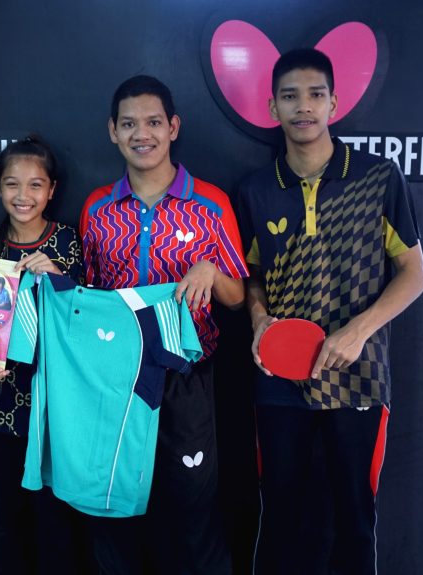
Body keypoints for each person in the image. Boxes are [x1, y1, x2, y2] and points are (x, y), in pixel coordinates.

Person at [237, 48, 423, 574]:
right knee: (279, 517)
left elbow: (414, 275)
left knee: (355, 519)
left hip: (358, 377)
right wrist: (258, 319)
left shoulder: (378, 178)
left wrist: (357, 331)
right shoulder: (256, 190)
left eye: (315, 94)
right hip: (280, 378)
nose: (304, 106)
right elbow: (251, 276)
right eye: (290, 96)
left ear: (334, 104)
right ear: (272, 107)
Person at [79, 74, 248, 574]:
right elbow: (89, 297)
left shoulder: (210, 204)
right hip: (116, 382)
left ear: (173, 128)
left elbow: (237, 298)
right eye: (129, 124)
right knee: (116, 509)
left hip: (186, 378)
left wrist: (211, 271)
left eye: (153, 122)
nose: (142, 134)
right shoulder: (97, 209)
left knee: (192, 505)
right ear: (112, 131)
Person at [0, 135, 90, 574]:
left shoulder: (68, 243)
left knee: (55, 518)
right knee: (4, 516)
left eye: (35, 185)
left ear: (51, 190)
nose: (23, 195)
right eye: (12, 184)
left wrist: (60, 278)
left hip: (54, 406)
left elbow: (88, 321)